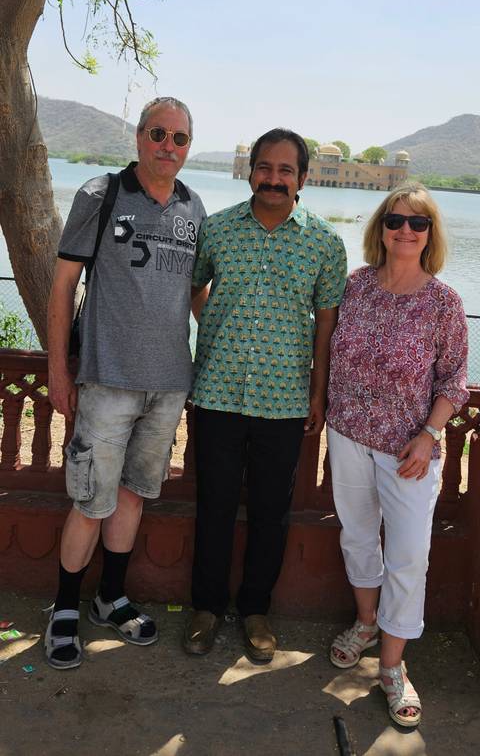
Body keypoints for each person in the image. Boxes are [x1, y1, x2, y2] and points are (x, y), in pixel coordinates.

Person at [45, 96, 206, 669]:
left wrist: (222, 341)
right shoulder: (100, 193)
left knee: (135, 495)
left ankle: (109, 597)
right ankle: (64, 608)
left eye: (180, 138)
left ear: (189, 146)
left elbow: (193, 292)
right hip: (107, 379)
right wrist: (59, 369)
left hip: (167, 385)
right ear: (139, 137)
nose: (169, 145)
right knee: (92, 499)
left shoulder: (194, 207)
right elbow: (63, 284)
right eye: (158, 133)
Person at [183, 128, 347, 662]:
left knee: (271, 513)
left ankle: (256, 611)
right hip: (218, 394)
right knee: (214, 505)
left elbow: (327, 325)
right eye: (265, 168)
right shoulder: (217, 229)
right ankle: (205, 609)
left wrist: (318, 393)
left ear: (303, 177)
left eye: (285, 171)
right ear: (250, 170)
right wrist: (218, 329)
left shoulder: (324, 242)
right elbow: (193, 286)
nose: (273, 179)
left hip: (285, 401)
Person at [326, 183, 468, 727]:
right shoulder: (356, 287)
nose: (405, 230)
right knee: (357, 535)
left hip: (409, 450)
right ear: (380, 228)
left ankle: (391, 666)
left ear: (430, 233)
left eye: (417, 223)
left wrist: (430, 434)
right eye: (395, 220)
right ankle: (366, 622)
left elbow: (455, 379)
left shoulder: (444, 303)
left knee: (409, 557)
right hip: (348, 435)